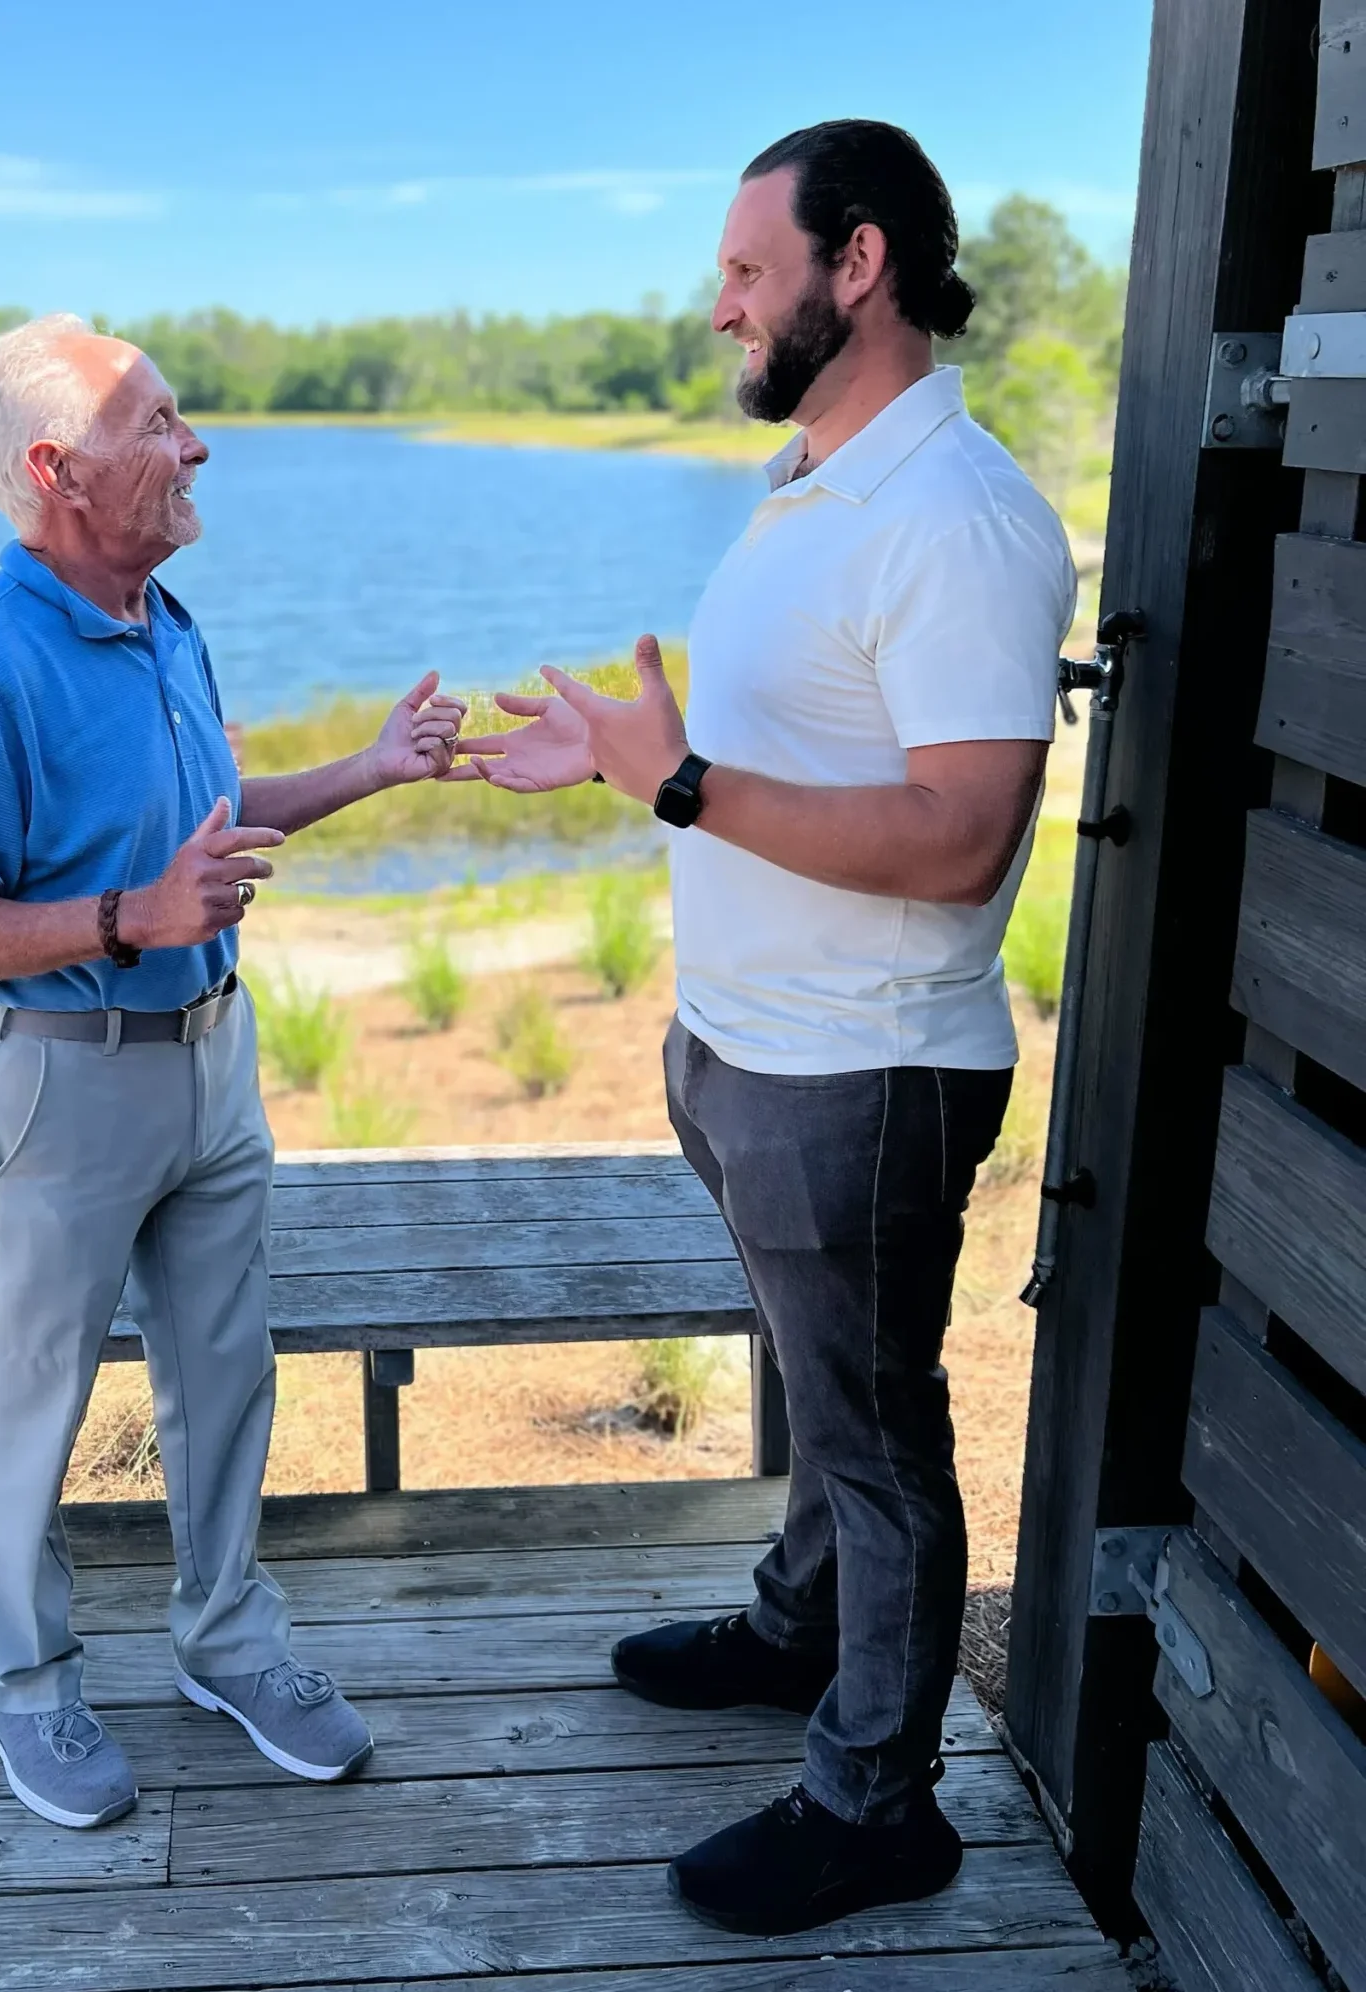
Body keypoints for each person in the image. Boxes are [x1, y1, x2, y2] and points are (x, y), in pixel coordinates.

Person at [452, 121, 1074, 1934]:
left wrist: (686, 789)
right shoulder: (816, 477)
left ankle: (879, 1801)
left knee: (876, 1434)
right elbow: (782, 757)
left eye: (745, 269)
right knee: (827, 1383)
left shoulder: (959, 517)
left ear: (855, 264)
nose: (715, 303)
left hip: (859, 1071)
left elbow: (963, 845)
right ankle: (805, 1632)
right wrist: (625, 765)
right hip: (750, 1048)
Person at [0, 313, 464, 1829]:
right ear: (61, 470)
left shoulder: (166, 617)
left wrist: (371, 768)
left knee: (226, 1376)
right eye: (160, 424)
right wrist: (128, 918)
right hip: (54, 1090)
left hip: (213, 1064)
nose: (195, 445)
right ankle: (19, 1690)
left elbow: (214, 813)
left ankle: (226, 1644)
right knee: (31, 1405)